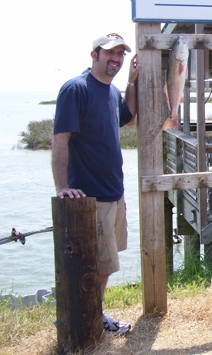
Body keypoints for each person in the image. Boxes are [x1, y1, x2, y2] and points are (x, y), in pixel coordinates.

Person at [52, 33, 141, 335]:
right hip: (92, 197)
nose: (115, 59)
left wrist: (132, 82)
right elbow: (60, 139)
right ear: (94, 55)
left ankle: (87, 313)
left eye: (120, 55)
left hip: (115, 193)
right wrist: (62, 186)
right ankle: (89, 318)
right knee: (97, 266)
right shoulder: (76, 89)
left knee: (105, 264)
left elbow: (127, 119)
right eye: (109, 54)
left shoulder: (112, 92)